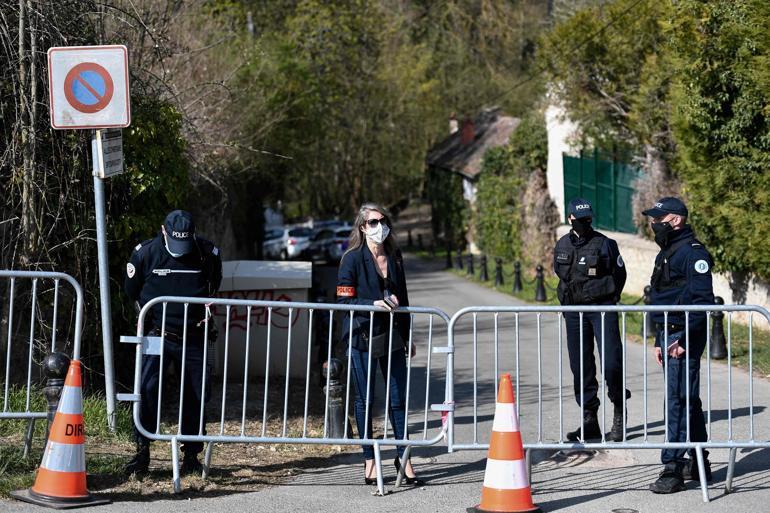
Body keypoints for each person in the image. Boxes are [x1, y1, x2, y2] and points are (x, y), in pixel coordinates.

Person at [123, 210, 222, 476]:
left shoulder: (207, 253)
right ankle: (142, 453)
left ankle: (191, 455)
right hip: (157, 334)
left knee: (195, 394)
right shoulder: (145, 253)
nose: (181, 250)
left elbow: (213, 285)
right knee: (147, 391)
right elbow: (131, 291)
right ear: (163, 232)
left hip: (194, 336)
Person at [336, 202, 422, 486]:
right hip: (361, 336)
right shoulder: (351, 259)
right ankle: (369, 458)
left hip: (392, 337)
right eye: (373, 222)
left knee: (397, 399)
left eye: (383, 221)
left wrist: (408, 336)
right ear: (362, 227)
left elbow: (405, 299)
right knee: (366, 400)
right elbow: (344, 301)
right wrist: (373, 304)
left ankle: (403, 456)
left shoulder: (395, 256)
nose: (379, 227)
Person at [642, 197, 714, 494]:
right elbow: (662, 298)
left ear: (676, 220)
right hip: (669, 335)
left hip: (684, 337)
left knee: (677, 400)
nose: (653, 224)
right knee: (686, 399)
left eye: (659, 219)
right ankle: (699, 462)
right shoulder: (668, 253)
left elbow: (702, 303)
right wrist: (660, 339)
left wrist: (681, 340)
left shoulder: (692, 253)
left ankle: (672, 467)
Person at [553, 198, 630, 442]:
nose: (584, 224)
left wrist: (608, 296)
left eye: (588, 220)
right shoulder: (562, 244)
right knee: (580, 366)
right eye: (579, 220)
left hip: (602, 309)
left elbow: (620, 275)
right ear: (570, 219)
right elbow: (561, 275)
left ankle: (619, 410)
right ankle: (590, 419)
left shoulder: (606, 244)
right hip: (574, 312)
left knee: (612, 362)